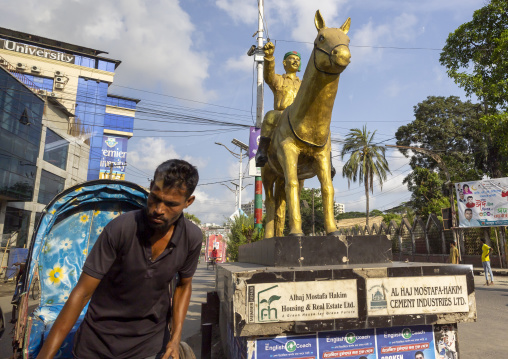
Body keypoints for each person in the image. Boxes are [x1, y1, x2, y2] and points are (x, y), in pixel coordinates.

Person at [36, 159, 201, 359]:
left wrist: (175, 340)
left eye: (171, 204)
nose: (158, 209)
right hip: (96, 345)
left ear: (188, 202)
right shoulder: (121, 228)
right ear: (150, 188)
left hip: (149, 347)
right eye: (155, 198)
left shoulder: (191, 237)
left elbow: (183, 286)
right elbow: (82, 294)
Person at [255, 41, 302, 168]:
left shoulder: (303, 84)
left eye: (298, 59)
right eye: (291, 58)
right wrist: (269, 57)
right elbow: (268, 77)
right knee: (270, 115)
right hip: (281, 114)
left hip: (300, 117)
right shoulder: (279, 79)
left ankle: (327, 162)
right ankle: (262, 151)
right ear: (284, 63)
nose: (295, 61)